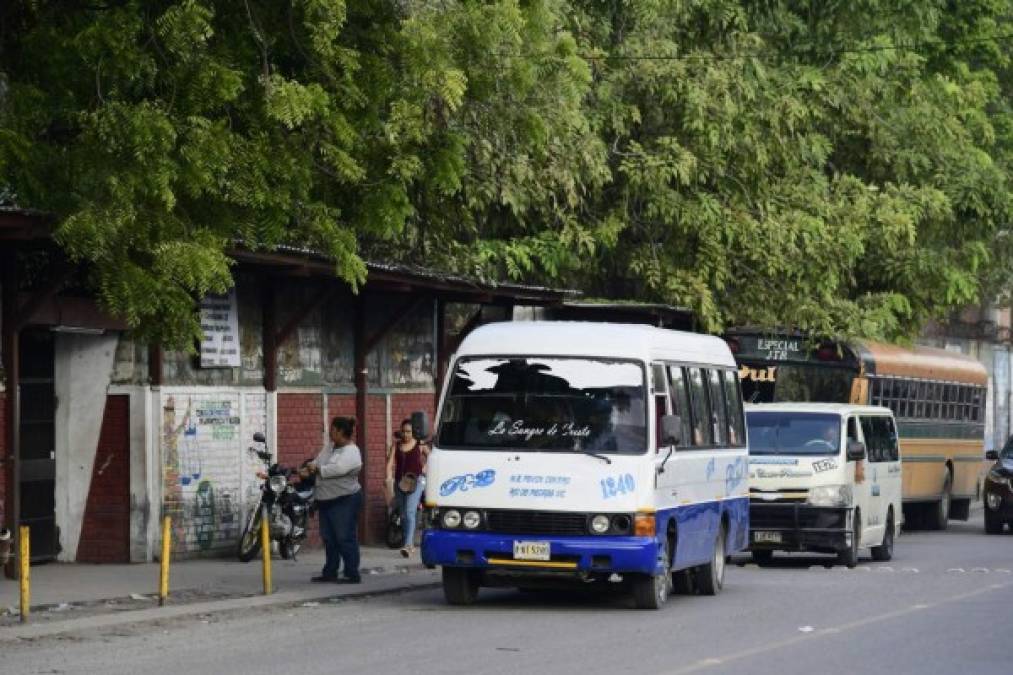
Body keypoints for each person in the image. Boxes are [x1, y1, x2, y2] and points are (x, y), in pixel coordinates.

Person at [301, 416, 363, 584]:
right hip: (326, 499)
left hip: (345, 500)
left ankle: (352, 573)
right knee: (329, 537)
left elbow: (338, 469)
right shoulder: (330, 447)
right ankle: (330, 571)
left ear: (341, 431)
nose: (330, 433)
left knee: (344, 536)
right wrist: (309, 467)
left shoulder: (351, 451)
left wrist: (317, 469)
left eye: (333, 430)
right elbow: (318, 461)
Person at [386, 418, 429, 558]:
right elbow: (390, 463)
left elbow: (431, 456)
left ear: (413, 432)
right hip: (400, 483)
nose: (406, 435)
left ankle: (408, 545)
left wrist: (425, 467)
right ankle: (407, 542)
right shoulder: (396, 445)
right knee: (403, 514)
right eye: (403, 431)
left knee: (410, 511)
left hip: (416, 481)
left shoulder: (420, 444)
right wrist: (388, 478)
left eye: (409, 432)